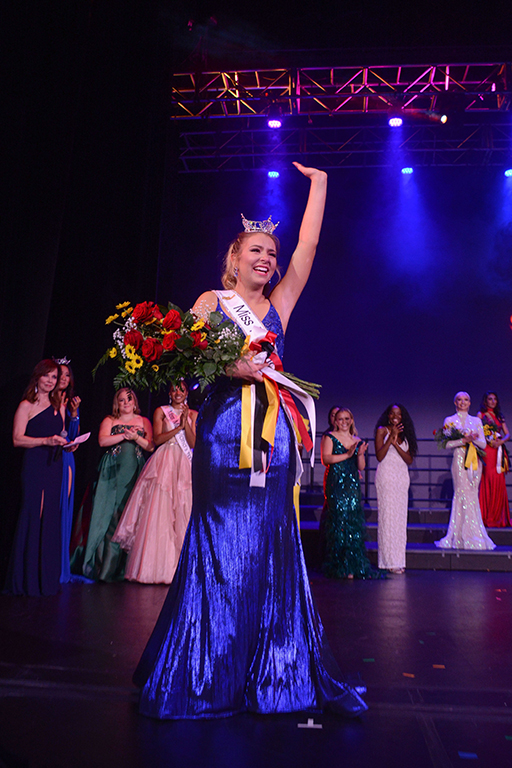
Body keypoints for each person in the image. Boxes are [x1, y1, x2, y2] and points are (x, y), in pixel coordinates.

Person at [134, 163, 367, 719]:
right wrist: (228, 365)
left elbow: (308, 246)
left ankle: (273, 667)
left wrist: (321, 185)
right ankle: (207, 666)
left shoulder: (280, 304)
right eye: (254, 251)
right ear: (234, 258)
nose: (265, 259)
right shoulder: (211, 302)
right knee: (217, 542)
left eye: (271, 252)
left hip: (275, 438)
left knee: (270, 542)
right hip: (220, 435)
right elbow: (188, 364)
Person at [112, 382, 197, 584]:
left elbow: (194, 444)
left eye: (181, 389)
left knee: (183, 511)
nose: (177, 392)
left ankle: (180, 570)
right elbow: (158, 439)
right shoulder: (161, 411)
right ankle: (156, 569)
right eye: (174, 389)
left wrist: (187, 424)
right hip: (165, 460)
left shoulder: (193, 414)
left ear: (186, 392)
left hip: (184, 463)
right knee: (160, 512)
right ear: (169, 392)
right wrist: (178, 427)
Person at [5, 359, 68, 596]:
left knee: (50, 515)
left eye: (55, 377)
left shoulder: (59, 405)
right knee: (34, 513)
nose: (51, 381)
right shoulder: (26, 405)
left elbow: (60, 433)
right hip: (34, 464)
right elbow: (17, 438)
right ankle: (27, 580)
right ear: (38, 377)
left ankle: (46, 581)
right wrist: (45, 441)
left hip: (54, 463)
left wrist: (67, 445)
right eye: (48, 376)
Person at [80, 388, 153, 581]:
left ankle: (125, 568)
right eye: (122, 400)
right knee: (110, 515)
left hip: (134, 472)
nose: (126, 403)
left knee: (130, 515)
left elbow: (151, 446)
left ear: (135, 402)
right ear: (117, 404)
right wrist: (124, 435)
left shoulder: (144, 421)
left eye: (129, 400)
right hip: (112, 472)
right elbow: (103, 441)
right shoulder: (109, 420)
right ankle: (106, 568)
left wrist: (136, 437)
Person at [321, 408, 382, 579]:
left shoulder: (357, 440)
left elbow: (361, 466)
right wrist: (347, 454)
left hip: (352, 483)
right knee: (339, 521)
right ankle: (341, 565)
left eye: (346, 418)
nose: (343, 422)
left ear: (351, 420)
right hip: (337, 483)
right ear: (335, 421)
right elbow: (326, 459)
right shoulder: (329, 437)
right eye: (340, 419)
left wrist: (359, 454)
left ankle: (354, 564)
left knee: (352, 522)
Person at [435, 392, 496, 550]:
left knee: (472, 495)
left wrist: (472, 439)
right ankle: (459, 534)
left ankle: (474, 533)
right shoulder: (450, 420)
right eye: (460, 400)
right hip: (459, 461)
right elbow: (446, 444)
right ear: (455, 402)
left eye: (466, 400)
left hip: (475, 462)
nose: (463, 402)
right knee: (461, 493)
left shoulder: (476, 420)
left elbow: (483, 444)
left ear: (470, 403)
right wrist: (463, 440)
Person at [374, 403, 418, 574]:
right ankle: (387, 561)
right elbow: (379, 456)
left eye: (398, 414)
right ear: (388, 415)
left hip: (401, 478)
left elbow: (409, 460)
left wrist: (396, 442)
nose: (395, 416)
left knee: (400, 520)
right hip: (386, 476)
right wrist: (390, 437)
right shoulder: (381, 430)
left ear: (403, 416)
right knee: (388, 517)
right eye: (392, 413)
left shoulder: (406, 434)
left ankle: (398, 559)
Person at [55, 360, 81, 583]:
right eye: (59, 375)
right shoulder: (46, 400)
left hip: (66, 457)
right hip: (49, 454)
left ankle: (60, 568)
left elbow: (73, 436)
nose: (63, 379)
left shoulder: (70, 402)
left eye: (66, 375)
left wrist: (74, 414)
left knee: (64, 508)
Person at [477, 391, 511, 527]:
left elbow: (507, 434)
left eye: (494, 399)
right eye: (490, 399)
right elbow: (477, 432)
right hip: (487, 450)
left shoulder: (499, 416)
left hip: (498, 451)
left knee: (498, 480)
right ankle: (486, 516)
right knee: (488, 479)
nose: (492, 401)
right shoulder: (481, 415)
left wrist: (500, 442)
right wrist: (488, 440)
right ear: (485, 401)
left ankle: (498, 516)